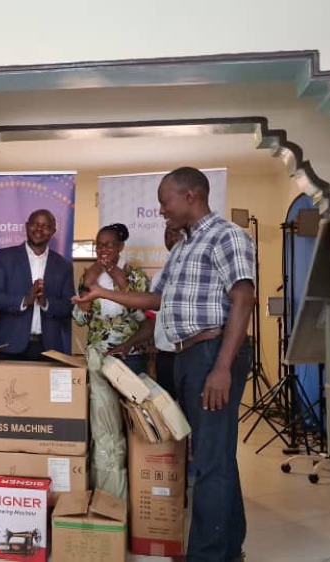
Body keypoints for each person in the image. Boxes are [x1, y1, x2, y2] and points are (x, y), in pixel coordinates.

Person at [74, 167, 254, 562]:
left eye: (164, 200)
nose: (160, 210)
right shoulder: (186, 246)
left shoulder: (227, 235)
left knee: (209, 460)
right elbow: (155, 302)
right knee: (214, 454)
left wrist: (222, 367)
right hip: (187, 354)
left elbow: (243, 300)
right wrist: (102, 292)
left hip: (213, 352)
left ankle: (208, 555)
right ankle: (229, 545)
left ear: (190, 195)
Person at [0, 209, 74, 359]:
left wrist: (45, 302)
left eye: (45, 226)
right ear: (26, 226)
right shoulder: (3, 257)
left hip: (49, 349)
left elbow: (69, 306)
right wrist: (25, 300)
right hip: (8, 347)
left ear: (53, 231)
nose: (39, 229)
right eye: (35, 224)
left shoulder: (63, 265)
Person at [107, 227, 185, 397]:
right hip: (165, 356)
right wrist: (129, 345)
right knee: (168, 413)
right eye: (167, 234)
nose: (171, 237)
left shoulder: (195, 273)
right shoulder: (159, 277)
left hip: (190, 354)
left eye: (175, 232)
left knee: (193, 414)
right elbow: (150, 319)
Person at [72, 223, 150, 373]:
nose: (103, 250)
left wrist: (121, 282)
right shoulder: (89, 275)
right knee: (100, 397)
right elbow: (80, 320)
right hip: (97, 355)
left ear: (120, 247)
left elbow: (141, 317)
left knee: (133, 397)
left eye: (109, 245)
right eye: (99, 246)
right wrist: (87, 284)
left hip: (130, 355)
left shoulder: (136, 275)